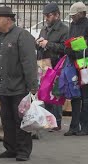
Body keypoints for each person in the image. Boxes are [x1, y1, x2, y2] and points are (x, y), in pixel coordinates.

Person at [0, 6, 38, 161]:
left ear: (8, 19)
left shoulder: (22, 35)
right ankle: (11, 148)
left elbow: (29, 63)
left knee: (21, 121)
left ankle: (23, 151)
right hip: (4, 88)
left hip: (19, 88)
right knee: (7, 121)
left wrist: (33, 87)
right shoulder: (0, 38)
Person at [36, 2, 68, 132]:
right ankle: (48, 120)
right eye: (45, 16)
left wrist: (48, 44)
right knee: (44, 92)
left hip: (57, 65)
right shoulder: (44, 28)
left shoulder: (64, 30)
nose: (46, 18)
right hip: (44, 63)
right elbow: (40, 44)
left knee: (55, 93)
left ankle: (57, 122)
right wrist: (37, 43)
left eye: (48, 16)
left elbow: (65, 48)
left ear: (57, 15)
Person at [64, 1, 88, 136]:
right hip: (74, 61)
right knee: (74, 96)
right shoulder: (73, 25)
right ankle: (74, 126)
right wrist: (70, 48)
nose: (72, 18)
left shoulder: (87, 24)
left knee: (85, 96)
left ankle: (85, 127)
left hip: (84, 62)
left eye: (74, 15)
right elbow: (69, 41)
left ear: (81, 13)